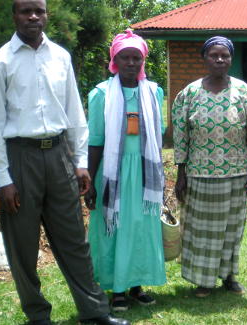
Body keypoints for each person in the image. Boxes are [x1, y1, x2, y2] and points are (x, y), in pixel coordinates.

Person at [0, 0, 128, 325]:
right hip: (21, 160)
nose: (33, 17)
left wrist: (80, 162)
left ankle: (93, 311)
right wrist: (4, 179)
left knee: (74, 239)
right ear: (14, 17)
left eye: (39, 11)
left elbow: (75, 113)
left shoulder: (60, 57)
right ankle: (37, 315)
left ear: (47, 15)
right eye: (25, 12)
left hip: (59, 155)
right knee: (22, 246)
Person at [172, 36, 247, 298]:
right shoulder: (188, 95)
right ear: (204, 58)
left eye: (225, 55)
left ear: (231, 59)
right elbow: (180, 136)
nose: (220, 59)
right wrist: (181, 173)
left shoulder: (246, 94)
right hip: (199, 173)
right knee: (200, 230)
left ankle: (229, 276)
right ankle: (203, 280)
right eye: (214, 55)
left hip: (235, 173)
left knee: (231, 228)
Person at [85, 30, 166, 311]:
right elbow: (95, 141)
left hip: (143, 172)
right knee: (114, 230)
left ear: (143, 61)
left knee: (140, 228)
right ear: (114, 60)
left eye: (136, 58)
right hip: (112, 173)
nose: (131, 63)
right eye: (125, 57)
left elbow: (159, 134)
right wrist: (90, 182)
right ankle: (116, 289)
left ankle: (136, 285)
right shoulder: (100, 94)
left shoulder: (154, 92)